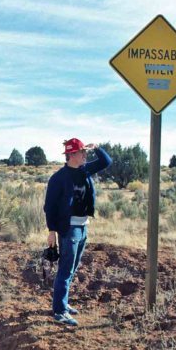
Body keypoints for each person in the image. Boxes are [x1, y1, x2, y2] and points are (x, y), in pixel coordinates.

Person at [43, 138, 112, 326]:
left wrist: (97, 147)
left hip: (83, 226)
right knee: (65, 269)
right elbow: (49, 207)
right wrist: (52, 231)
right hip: (69, 228)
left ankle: (63, 303)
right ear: (72, 155)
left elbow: (106, 162)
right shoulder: (58, 178)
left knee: (71, 268)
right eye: (82, 152)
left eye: (85, 153)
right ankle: (59, 311)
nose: (85, 155)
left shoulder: (85, 170)